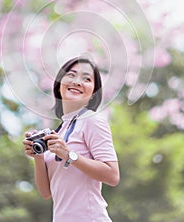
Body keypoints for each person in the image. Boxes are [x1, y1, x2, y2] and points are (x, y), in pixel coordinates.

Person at [23, 56, 120, 222]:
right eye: (71, 75)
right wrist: (38, 157)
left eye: (86, 79)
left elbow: (112, 175)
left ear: (93, 93)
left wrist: (69, 155)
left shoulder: (92, 120)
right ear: (59, 85)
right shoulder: (58, 132)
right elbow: (46, 193)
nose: (77, 82)